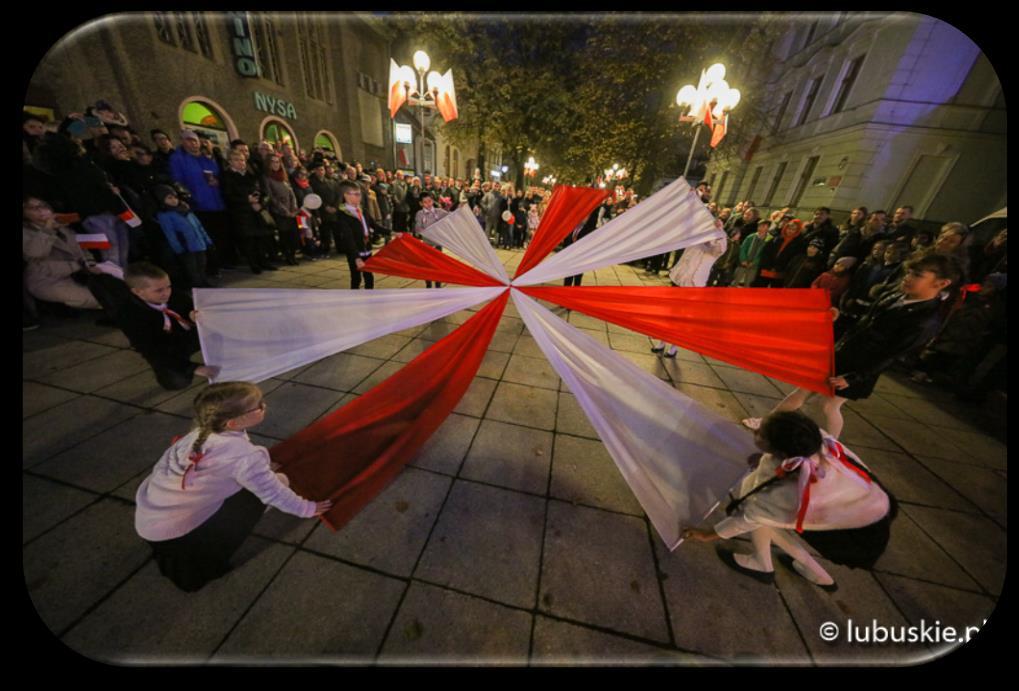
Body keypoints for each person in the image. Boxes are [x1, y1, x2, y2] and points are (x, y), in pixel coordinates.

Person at [135, 381, 331, 592]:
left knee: (260, 478)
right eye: (259, 406)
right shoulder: (243, 457)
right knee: (281, 481)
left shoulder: (200, 433)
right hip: (179, 531)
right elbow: (273, 492)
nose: (264, 406)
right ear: (233, 423)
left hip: (150, 518)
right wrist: (306, 508)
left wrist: (260, 466)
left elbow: (228, 462)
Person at [743, 253, 962, 439]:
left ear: (941, 283)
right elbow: (864, 322)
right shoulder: (896, 295)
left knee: (829, 406)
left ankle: (830, 446)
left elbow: (891, 355)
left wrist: (854, 377)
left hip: (860, 368)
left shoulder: (925, 319)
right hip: (845, 354)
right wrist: (839, 317)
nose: (907, 278)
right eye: (909, 272)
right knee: (803, 392)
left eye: (917, 275)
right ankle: (767, 425)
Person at [683, 411, 893, 591]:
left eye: (759, 434)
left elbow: (750, 517)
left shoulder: (790, 490)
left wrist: (707, 535)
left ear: (781, 452)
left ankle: (762, 564)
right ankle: (819, 577)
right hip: (870, 509)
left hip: (854, 536)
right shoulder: (812, 440)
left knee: (762, 518)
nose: (755, 432)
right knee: (766, 515)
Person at [118, 262, 219, 390]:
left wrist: (192, 315)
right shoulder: (130, 315)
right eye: (159, 290)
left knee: (220, 330)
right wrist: (193, 368)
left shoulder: (174, 294)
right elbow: (151, 349)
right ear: (138, 292)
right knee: (177, 381)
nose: (167, 293)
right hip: (168, 346)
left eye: (168, 287)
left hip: (189, 336)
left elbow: (189, 307)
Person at [653, 224, 727, 357]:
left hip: (694, 285)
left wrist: (719, 231)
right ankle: (661, 342)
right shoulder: (695, 240)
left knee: (682, 317)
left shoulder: (714, 248)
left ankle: (674, 347)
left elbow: (721, 249)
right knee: (670, 313)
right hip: (679, 280)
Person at [23, 196, 106, 310]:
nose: (40, 210)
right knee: (95, 299)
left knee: (114, 290)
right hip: (47, 280)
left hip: (78, 275)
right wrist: (48, 228)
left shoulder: (64, 228)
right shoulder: (26, 232)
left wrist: (90, 263)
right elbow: (36, 254)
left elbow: (82, 250)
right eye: (32, 208)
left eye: (43, 205)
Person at [169, 129, 233, 270]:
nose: (193, 144)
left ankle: (224, 261)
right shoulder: (178, 158)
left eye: (195, 140)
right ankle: (212, 265)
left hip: (217, 202)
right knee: (205, 236)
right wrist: (188, 199)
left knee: (221, 234)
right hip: (199, 205)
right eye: (189, 140)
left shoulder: (207, 158)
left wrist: (218, 181)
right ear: (182, 142)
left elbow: (220, 174)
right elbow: (177, 181)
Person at [222, 149, 276, 274]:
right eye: (236, 160)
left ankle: (264, 261)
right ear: (230, 162)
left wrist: (260, 203)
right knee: (249, 241)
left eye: (242, 160)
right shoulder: (228, 177)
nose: (240, 163)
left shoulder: (252, 175)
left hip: (257, 211)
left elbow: (264, 191)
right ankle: (254, 264)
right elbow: (228, 196)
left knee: (261, 239)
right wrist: (247, 200)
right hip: (242, 214)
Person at [153, 186, 214, 289]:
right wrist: (178, 248)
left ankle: (204, 281)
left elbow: (198, 226)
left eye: (175, 197)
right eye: (169, 198)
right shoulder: (164, 215)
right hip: (186, 245)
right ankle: (197, 285)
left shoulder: (186, 209)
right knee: (192, 268)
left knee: (202, 264)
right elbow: (170, 233)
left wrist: (207, 240)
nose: (174, 200)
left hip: (198, 243)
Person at [337, 180, 391, 290]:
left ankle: (369, 299)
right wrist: (356, 258)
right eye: (356, 194)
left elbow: (374, 226)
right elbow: (348, 239)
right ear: (346, 195)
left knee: (369, 276)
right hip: (355, 251)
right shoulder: (343, 215)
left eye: (360, 194)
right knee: (356, 278)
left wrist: (392, 232)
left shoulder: (362, 210)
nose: (359, 197)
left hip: (367, 248)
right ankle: (356, 300)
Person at [263, 155, 301, 265]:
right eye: (273, 162)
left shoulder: (284, 177)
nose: (276, 164)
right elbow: (271, 197)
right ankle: (287, 256)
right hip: (279, 212)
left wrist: (294, 207)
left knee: (294, 235)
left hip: (291, 211)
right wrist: (284, 211)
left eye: (278, 162)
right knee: (285, 236)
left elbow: (291, 193)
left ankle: (293, 254)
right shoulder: (267, 178)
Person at [753, 218, 807, 287]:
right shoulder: (776, 238)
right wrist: (768, 265)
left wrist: (779, 267)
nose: (790, 231)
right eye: (789, 228)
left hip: (780, 273)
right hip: (766, 270)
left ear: (797, 231)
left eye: (793, 229)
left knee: (774, 293)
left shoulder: (799, 244)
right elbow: (766, 252)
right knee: (759, 290)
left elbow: (793, 259)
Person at [414, 192, 449, 288]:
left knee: (438, 265)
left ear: (433, 201)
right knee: (427, 266)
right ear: (421, 204)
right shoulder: (420, 214)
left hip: (437, 244)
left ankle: (438, 285)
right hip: (426, 245)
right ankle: (428, 285)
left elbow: (451, 216)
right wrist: (424, 231)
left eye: (429, 201)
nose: (428, 204)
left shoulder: (439, 212)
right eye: (425, 202)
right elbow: (418, 229)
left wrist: (460, 208)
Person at [732, 219, 771, 287]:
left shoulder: (769, 239)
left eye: (764, 226)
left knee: (749, 282)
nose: (760, 228)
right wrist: (743, 259)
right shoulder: (751, 237)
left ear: (768, 228)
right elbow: (743, 248)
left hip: (755, 266)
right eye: (759, 226)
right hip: (743, 263)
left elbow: (764, 254)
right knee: (736, 279)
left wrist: (755, 262)